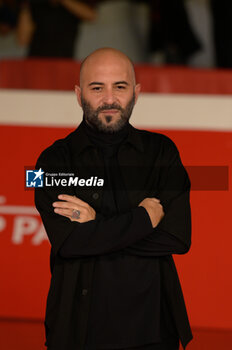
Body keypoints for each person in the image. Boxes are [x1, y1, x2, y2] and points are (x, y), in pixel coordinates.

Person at [35, 47, 192, 350]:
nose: (109, 99)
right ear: (79, 94)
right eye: (97, 88)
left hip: (154, 329)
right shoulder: (49, 162)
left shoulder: (163, 152)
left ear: (136, 92)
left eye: (119, 87)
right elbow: (69, 243)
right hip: (78, 331)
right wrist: (143, 219)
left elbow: (177, 238)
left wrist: (96, 224)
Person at [17, 0, 96, 58]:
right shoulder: (35, 5)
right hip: (37, 60)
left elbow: (91, 15)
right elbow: (23, 40)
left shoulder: (72, 4)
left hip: (64, 60)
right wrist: (25, 5)